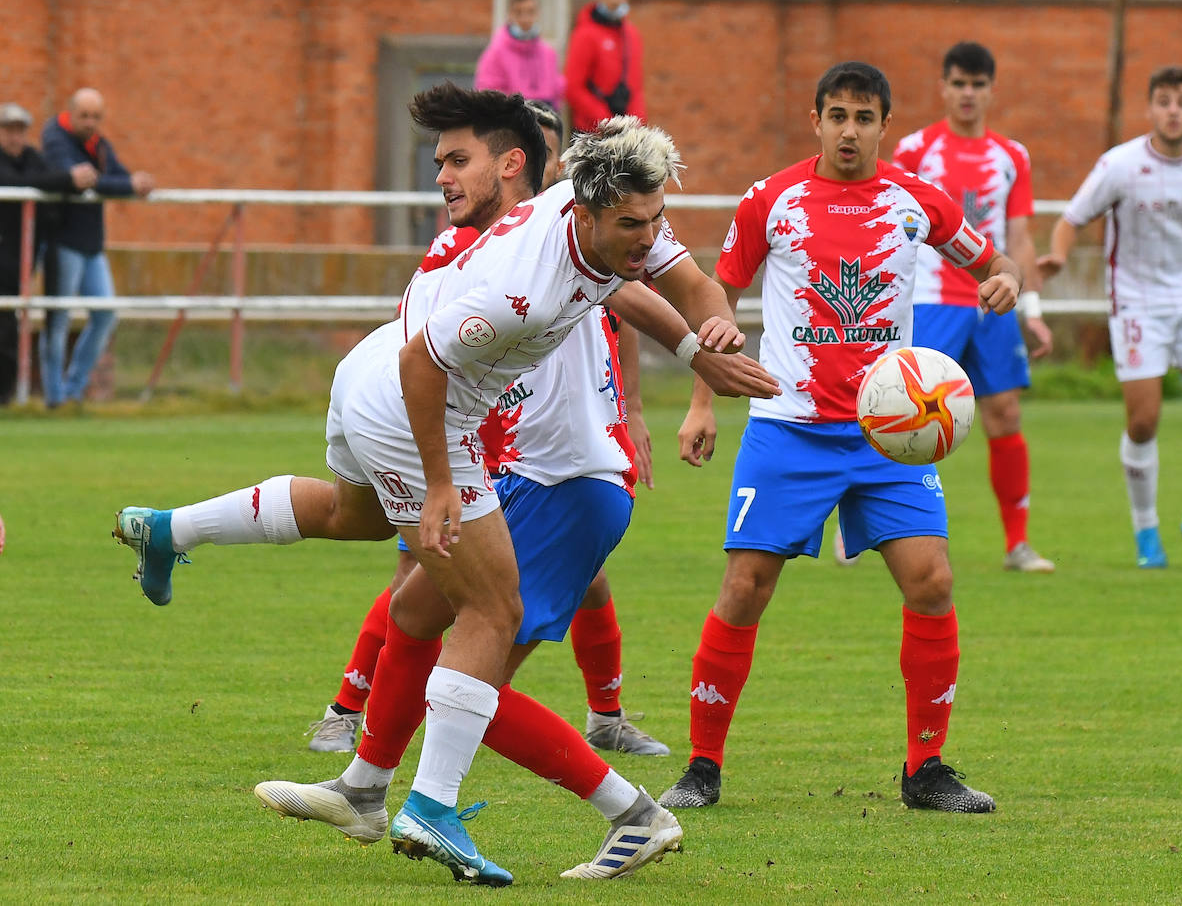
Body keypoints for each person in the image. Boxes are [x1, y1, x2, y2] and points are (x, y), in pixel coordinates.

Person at [112, 87, 778, 884]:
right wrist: (438, 485)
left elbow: (672, 281)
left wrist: (705, 338)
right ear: (588, 210)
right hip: (424, 407)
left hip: (397, 396)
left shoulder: (598, 208)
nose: (646, 237)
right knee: (486, 628)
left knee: (402, 593)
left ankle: (355, 777)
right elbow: (424, 365)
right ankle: (590, 812)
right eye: (631, 226)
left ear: (523, 166)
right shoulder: (518, 284)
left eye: (457, 160)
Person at [661, 62, 1020, 814]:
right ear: (816, 119)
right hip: (788, 429)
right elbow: (716, 299)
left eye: (864, 117)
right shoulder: (772, 199)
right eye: (837, 116)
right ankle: (701, 766)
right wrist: (703, 402)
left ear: (885, 124)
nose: (849, 130)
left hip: (887, 437)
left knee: (934, 580)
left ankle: (927, 771)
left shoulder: (916, 201)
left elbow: (992, 259)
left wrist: (1006, 280)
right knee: (743, 589)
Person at [306, 102, 669, 761]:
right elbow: (417, 358)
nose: (556, 179)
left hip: (565, 467)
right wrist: (438, 469)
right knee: (426, 602)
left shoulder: (588, 237)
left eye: (457, 160)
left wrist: (645, 400)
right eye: (445, 162)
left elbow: (634, 304)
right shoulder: (478, 255)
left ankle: (608, 755)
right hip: (495, 448)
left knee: (471, 649)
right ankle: (352, 726)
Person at [1038, 65, 1182, 569]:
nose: (1173, 111)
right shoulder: (1120, 165)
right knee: (1144, 419)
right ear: (1150, 108)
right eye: (1164, 101)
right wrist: (1059, 256)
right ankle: (1146, 531)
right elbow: (1071, 218)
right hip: (1137, 302)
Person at [887, 41, 1055, 574]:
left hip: (994, 305)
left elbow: (1021, 238)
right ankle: (865, 528)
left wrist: (1031, 308)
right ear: (943, 86)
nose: (967, 94)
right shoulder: (915, 150)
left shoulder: (1013, 156)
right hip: (935, 300)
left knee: (1004, 415)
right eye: (958, 83)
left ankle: (1018, 544)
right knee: (904, 416)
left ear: (991, 91)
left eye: (977, 85)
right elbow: (893, 227)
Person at [39, 88, 154, 408]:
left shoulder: (99, 145)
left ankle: (74, 390)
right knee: (58, 319)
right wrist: (125, 186)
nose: (90, 122)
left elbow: (114, 175)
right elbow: (86, 180)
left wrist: (137, 182)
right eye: (84, 116)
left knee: (105, 314)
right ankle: (55, 399)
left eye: (96, 117)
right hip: (62, 243)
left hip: (92, 245)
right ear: (71, 113)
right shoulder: (55, 139)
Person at [0, 102, 98, 404]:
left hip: (19, 257)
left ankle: (6, 397)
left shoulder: (32, 159)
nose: (15, 138)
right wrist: (68, 180)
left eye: (20, 131)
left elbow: (48, 178)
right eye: (8, 130)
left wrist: (75, 181)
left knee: (8, 325)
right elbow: (15, 183)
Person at [564, 0, 644, 133]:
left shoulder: (632, 35)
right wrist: (605, 119)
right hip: (592, 130)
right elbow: (573, 87)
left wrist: (636, 122)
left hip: (625, 130)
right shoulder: (585, 34)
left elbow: (636, 86)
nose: (615, 0)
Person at [474, 0, 565, 109]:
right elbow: (487, 94)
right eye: (518, 12)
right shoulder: (495, 54)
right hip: (512, 122)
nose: (525, 19)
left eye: (530, 12)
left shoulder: (549, 54)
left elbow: (557, 93)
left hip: (545, 121)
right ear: (509, 15)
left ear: (538, 13)